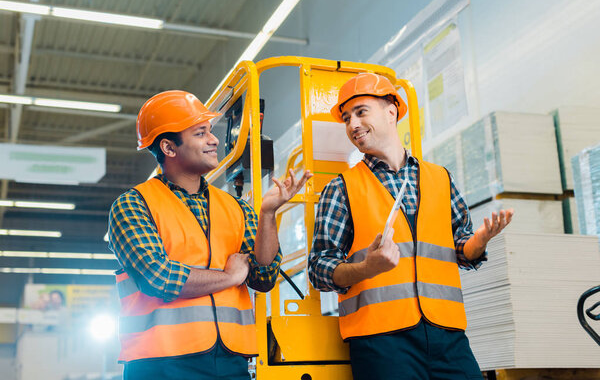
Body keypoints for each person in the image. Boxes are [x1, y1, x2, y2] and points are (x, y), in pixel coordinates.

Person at [307, 73, 513, 380]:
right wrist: (366, 268)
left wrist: (480, 240)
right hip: (381, 341)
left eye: (361, 112)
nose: (352, 125)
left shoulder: (439, 178)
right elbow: (319, 269)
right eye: (347, 118)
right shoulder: (342, 188)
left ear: (391, 111)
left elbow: (461, 247)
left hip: (447, 335)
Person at [108, 90, 311, 380]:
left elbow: (264, 277)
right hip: (160, 365)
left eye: (210, 132)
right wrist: (229, 277)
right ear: (168, 147)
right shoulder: (133, 205)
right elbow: (159, 278)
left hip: (230, 363)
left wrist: (268, 215)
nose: (214, 140)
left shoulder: (236, 208)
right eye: (200, 133)